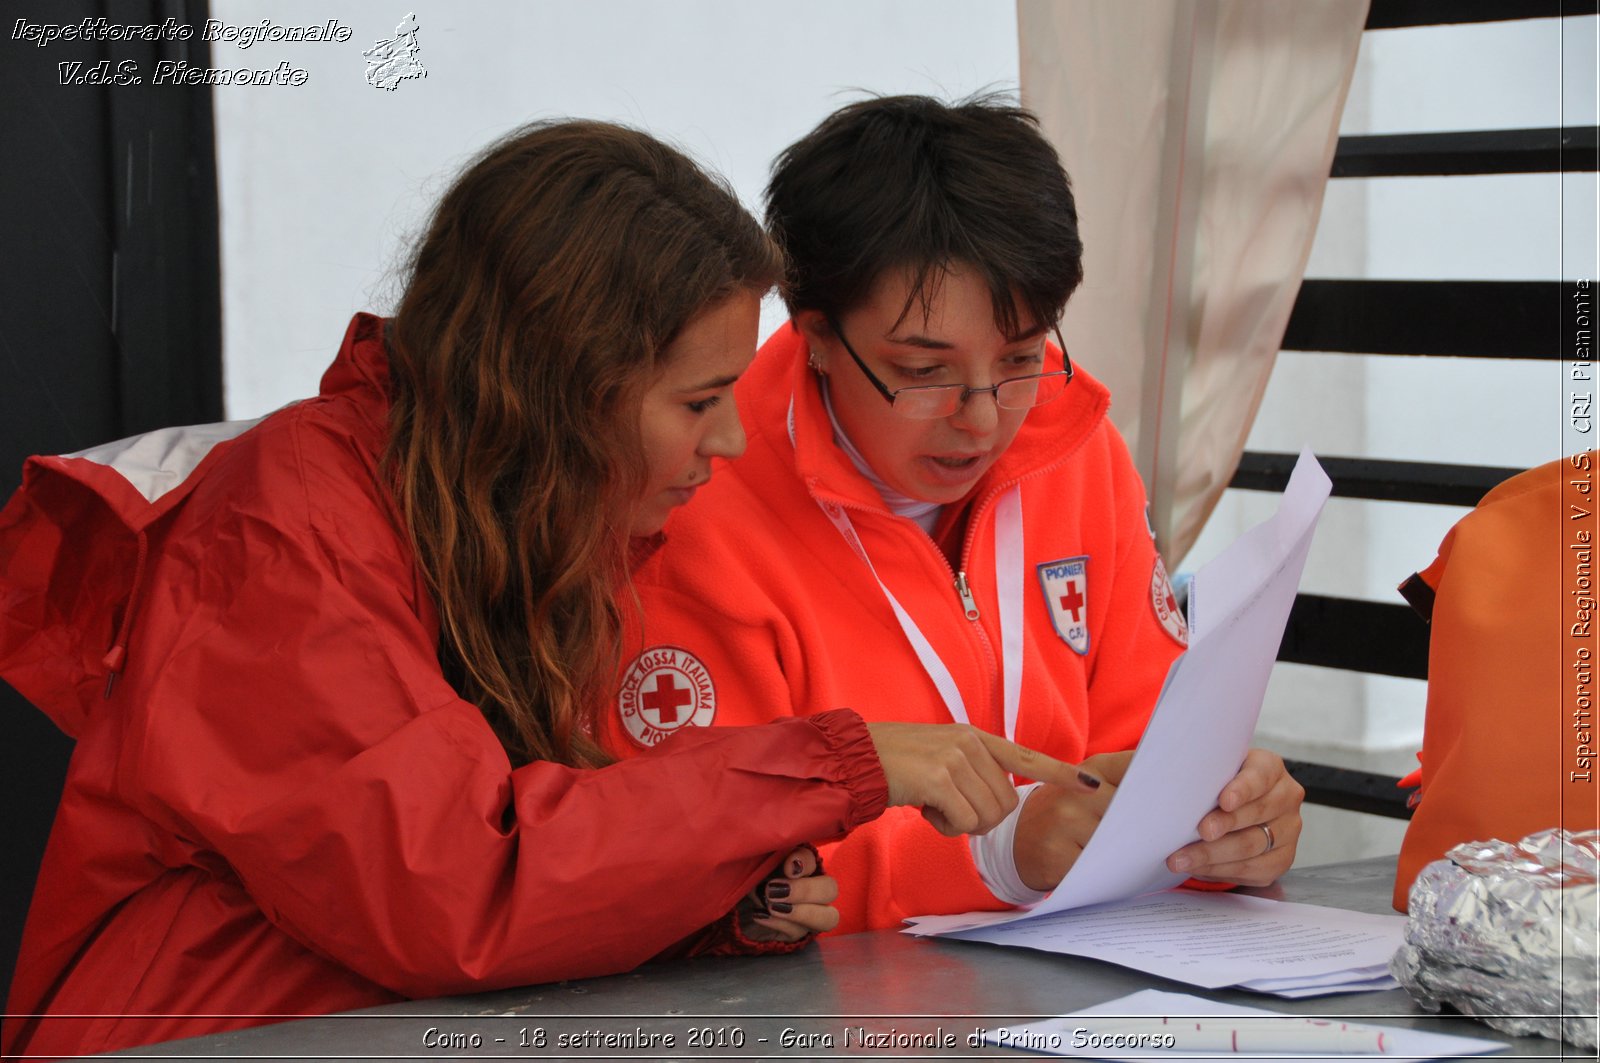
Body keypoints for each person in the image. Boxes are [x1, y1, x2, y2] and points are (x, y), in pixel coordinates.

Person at [0, 119, 1096, 1057]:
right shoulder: (284, 527)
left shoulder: (531, 517)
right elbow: (454, 888)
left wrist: (721, 906)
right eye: (701, 398)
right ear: (561, 383)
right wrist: (833, 761)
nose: (728, 437)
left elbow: (559, 863)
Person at [609, 95, 1306, 934]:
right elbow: (697, 852)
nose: (981, 417)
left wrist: (1223, 827)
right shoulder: (694, 497)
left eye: (1020, 356)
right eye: (923, 371)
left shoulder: (1076, 450)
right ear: (816, 333)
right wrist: (990, 856)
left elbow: (1144, 744)